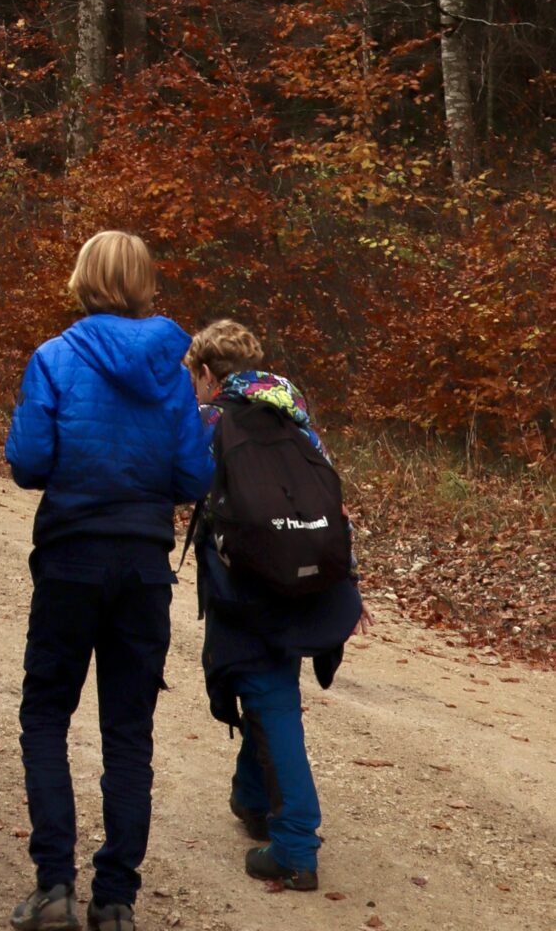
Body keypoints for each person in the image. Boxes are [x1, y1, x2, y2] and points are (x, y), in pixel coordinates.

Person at [4, 230, 216, 931]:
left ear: (83, 279)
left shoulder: (55, 357)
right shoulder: (173, 369)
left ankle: (54, 886)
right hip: (143, 565)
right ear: (146, 282)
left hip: (70, 556)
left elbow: (30, 461)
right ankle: (117, 899)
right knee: (128, 732)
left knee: (45, 715)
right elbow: (192, 475)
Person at [186, 319, 362, 895]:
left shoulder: (214, 417)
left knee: (268, 693)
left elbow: (186, 481)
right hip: (307, 574)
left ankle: (294, 845)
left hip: (250, 583)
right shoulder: (294, 408)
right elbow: (327, 488)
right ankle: (252, 799)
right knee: (268, 684)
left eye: (194, 377)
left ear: (208, 372)